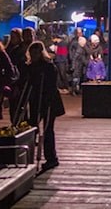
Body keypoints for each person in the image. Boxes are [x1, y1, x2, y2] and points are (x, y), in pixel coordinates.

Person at [24, 42, 65, 172]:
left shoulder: (48, 67)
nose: (34, 55)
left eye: (36, 53)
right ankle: (27, 156)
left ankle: (51, 158)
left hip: (48, 101)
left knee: (48, 130)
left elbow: (51, 85)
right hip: (36, 100)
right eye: (32, 53)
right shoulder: (30, 67)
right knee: (32, 128)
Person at [5, 28, 25, 121]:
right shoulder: (7, 49)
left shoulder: (21, 49)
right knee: (13, 102)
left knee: (21, 102)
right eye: (12, 37)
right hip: (11, 79)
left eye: (15, 37)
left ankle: (21, 121)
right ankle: (14, 120)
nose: (13, 38)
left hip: (21, 79)